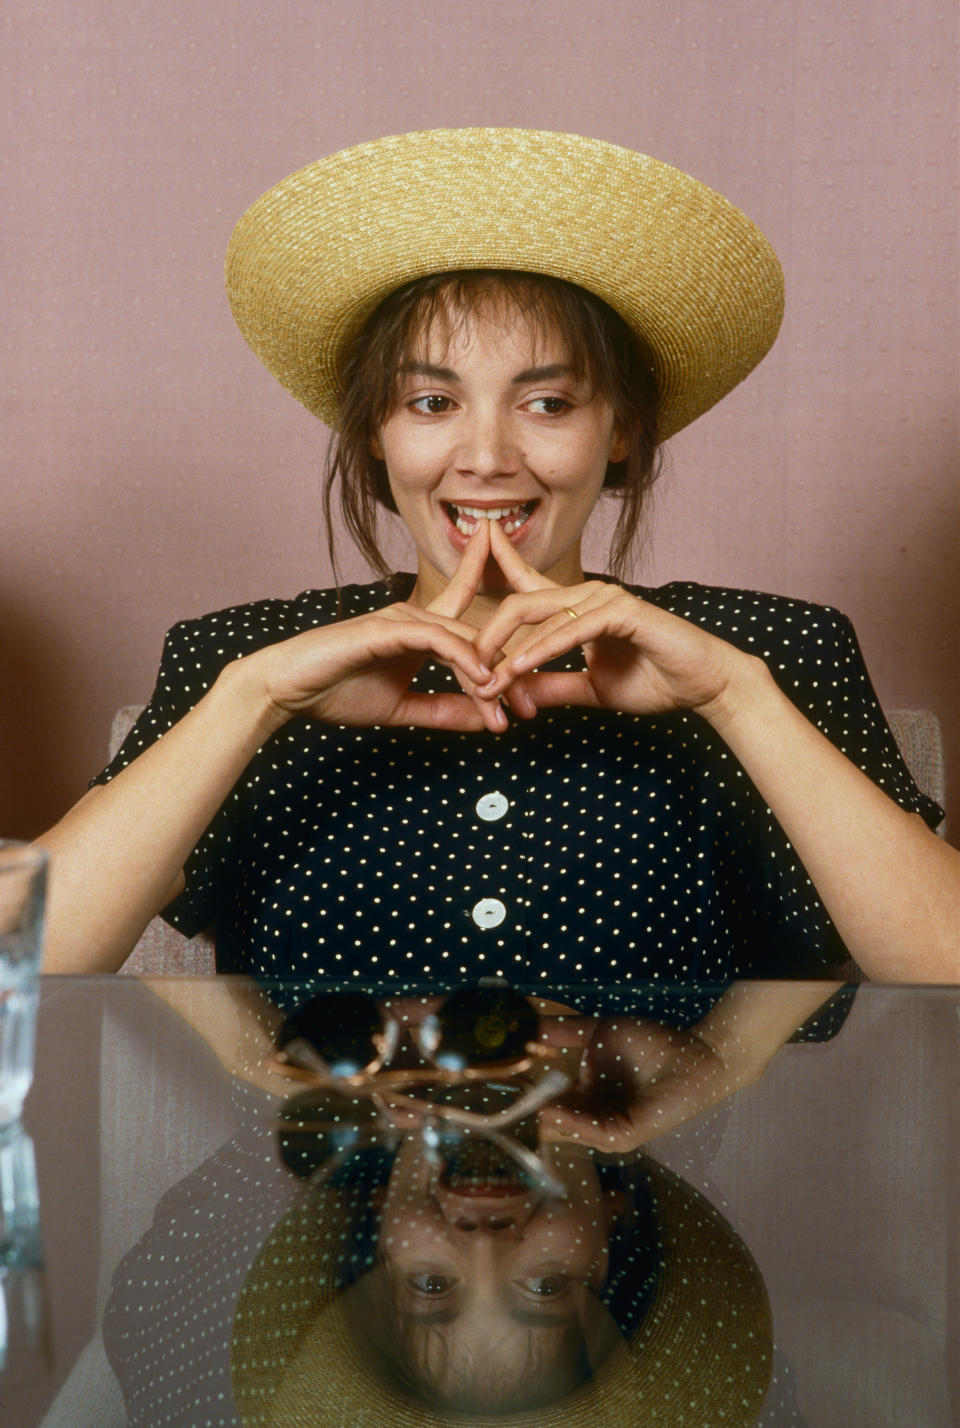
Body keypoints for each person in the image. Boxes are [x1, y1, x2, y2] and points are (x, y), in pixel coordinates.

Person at [36, 129, 957, 1142]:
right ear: (375, 435)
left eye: (548, 402)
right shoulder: (244, 660)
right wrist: (255, 700)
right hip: (313, 1237)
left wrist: (737, 699)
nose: (484, 455)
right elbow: (26, 966)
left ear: (620, 432)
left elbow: (944, 969)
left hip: (649, 1220)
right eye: (431, 402)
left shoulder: (762, 650)